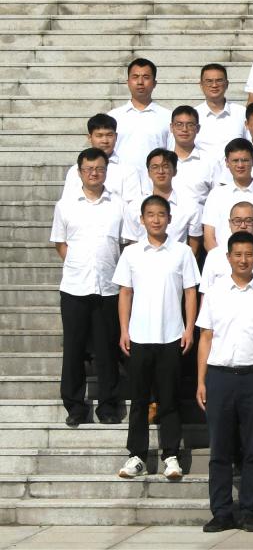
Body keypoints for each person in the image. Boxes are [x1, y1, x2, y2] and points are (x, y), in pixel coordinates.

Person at [195, 230, 253, 533]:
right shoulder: (215, 292)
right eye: (238, 254)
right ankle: (221, 512)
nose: (243, 260)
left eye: (249, 254)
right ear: (228, 257)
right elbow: (205, 337)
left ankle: (248, 510)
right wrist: (201, 380)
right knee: (220, 449)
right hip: (220, 376)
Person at [113, 195, 200, 482]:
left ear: (169, 219)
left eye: (161, 214)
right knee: (139, 400)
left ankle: (171, 455)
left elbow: (190, 292)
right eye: (150, 214)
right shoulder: (131, 253)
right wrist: (124, 330)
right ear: (142, 219)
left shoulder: (182, 252)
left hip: (171, 336)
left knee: (169, 399)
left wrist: (189, 329)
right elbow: (125, 293)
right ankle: (136, 456)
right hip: (139, 336)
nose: (156, 219)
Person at [53, 147, 126, 428]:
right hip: (75, 287)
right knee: (73, 350)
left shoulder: (118, 204)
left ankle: (108, 406)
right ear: (79, 172)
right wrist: (78, 265)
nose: (94, 173)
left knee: (107, 350)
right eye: (88, 169)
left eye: (99, 169)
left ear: (106, 171)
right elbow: (60, 243)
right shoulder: (66, 205)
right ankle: (75, 406)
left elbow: (125, 242)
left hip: (108, 288)